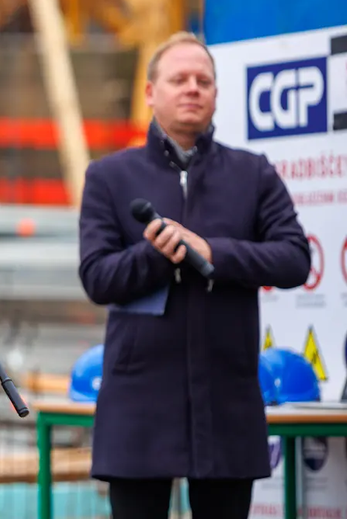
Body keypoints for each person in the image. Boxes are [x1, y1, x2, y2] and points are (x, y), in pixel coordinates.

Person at [77, 31, 311, 519]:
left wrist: (213, 252)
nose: (192, 88)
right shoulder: (109, 177)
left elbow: (294, 259)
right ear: (150, 93)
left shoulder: (253, 173)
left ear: (216, 94)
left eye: (203, 80)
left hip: (227, 402)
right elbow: (97, 278)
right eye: (178, 79)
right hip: (139, 406)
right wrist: (156, 255)